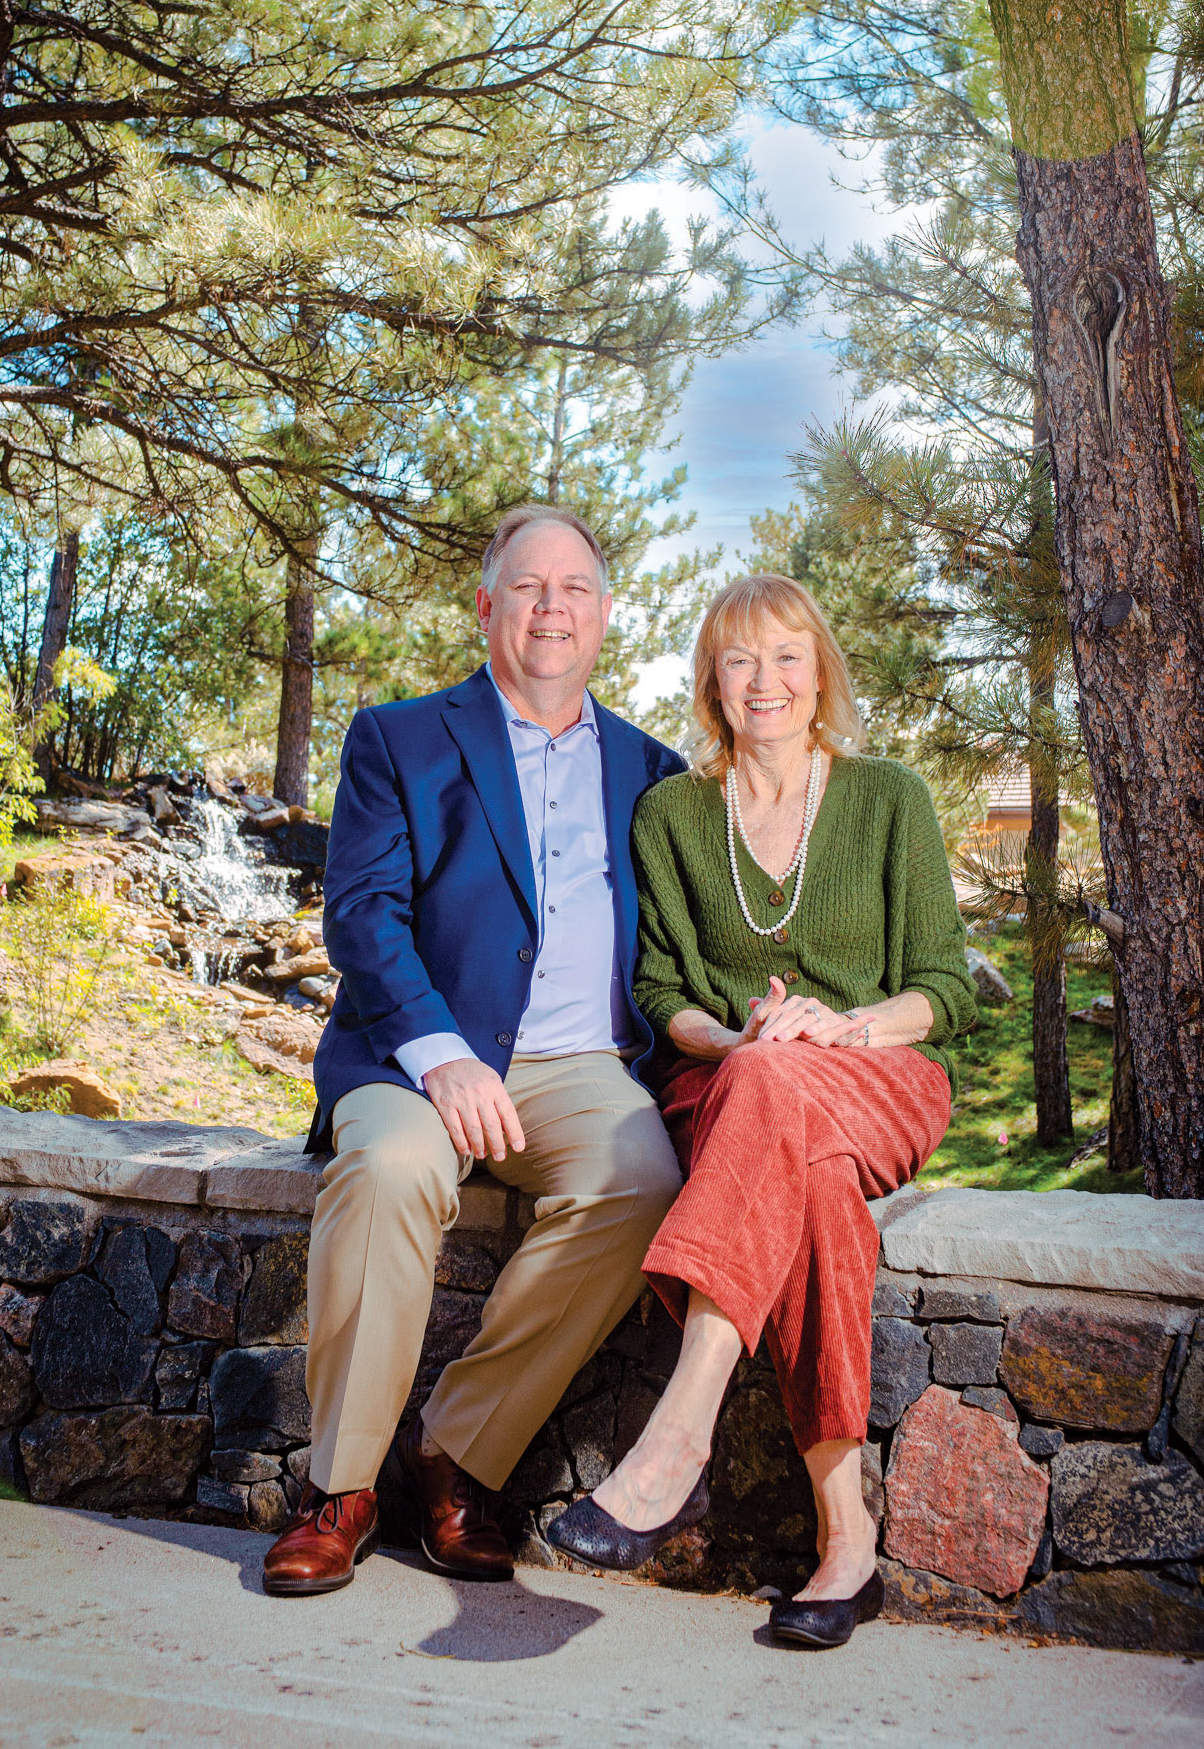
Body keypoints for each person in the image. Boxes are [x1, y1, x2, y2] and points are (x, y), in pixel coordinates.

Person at [262, 505, 685, 1596]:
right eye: (529, 586)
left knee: (641, 1181)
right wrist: (441, 1050)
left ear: (604, 615)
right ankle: (341, 1486)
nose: (553, 607)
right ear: (487, 605)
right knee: (392, 1168)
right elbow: (360, 914)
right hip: (416, 1052)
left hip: (580, 1066)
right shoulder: (399, 737)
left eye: (575, 589)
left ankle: (457, 1451)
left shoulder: (655, 771)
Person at [549, 573, 975, 1648]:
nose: (765, 680)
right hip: (730, 1082)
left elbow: (947, 988)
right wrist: (742, 1042)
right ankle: (847, 1539)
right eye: (739, 659)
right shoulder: (673, 813)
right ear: (710, 681)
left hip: (873, 1074)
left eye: (787, 655)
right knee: (809, 1178)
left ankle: (676, 1435)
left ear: (820, 669)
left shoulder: (887, 797)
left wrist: (846, 1026)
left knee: (788, 1088)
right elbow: (660, 993)